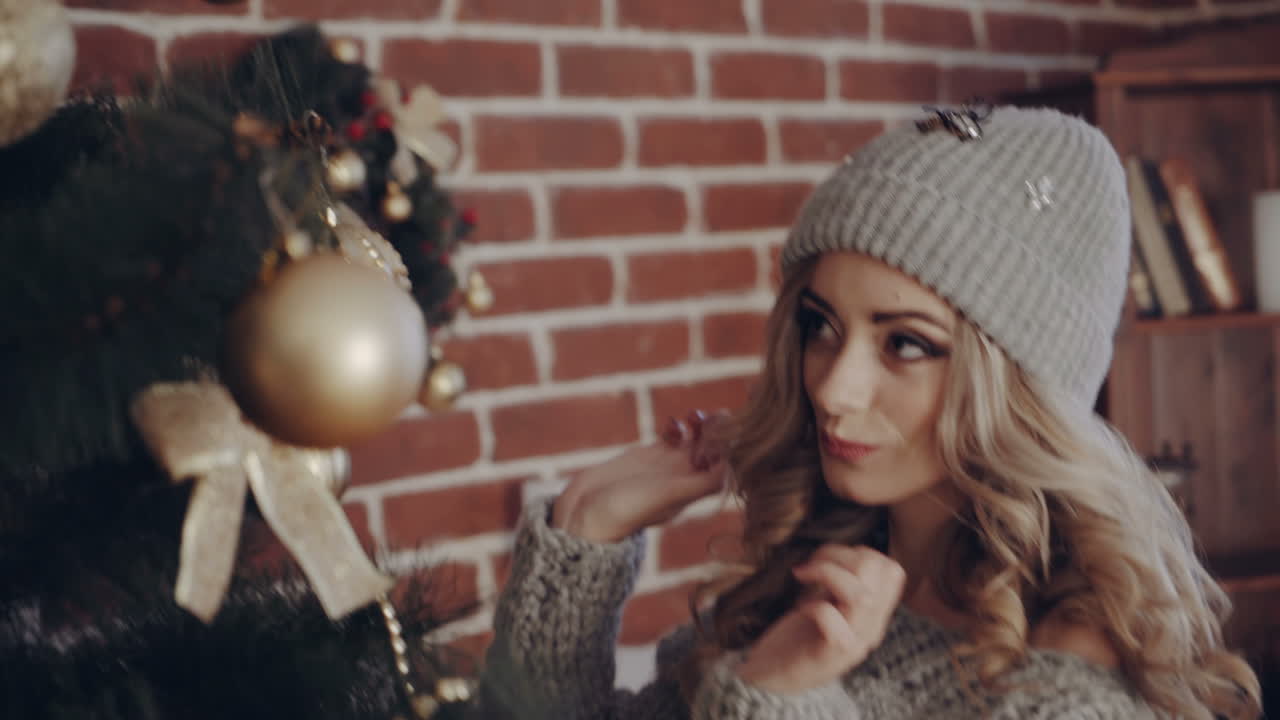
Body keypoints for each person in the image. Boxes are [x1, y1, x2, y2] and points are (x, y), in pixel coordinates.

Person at [475, 106, 1262, 720]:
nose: (832, 388)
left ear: (1019, 389)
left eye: (907, 345)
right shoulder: (808, 579)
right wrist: (587, 527)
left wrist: (777, 698)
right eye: (822, 327)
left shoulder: (1069, 678)